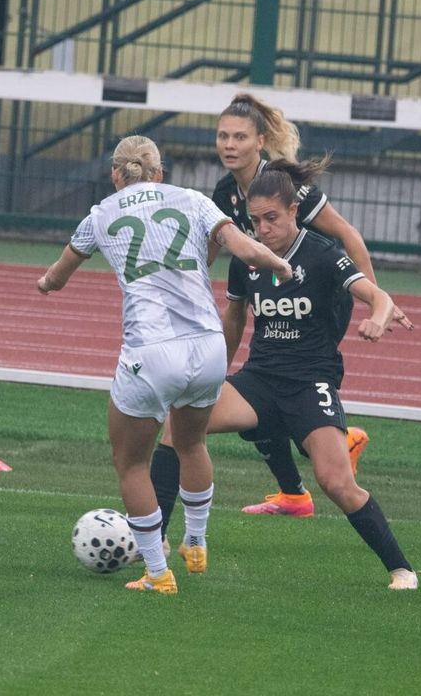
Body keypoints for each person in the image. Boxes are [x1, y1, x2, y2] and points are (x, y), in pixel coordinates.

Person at [36, 135, 291, 594]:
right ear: (159, 172)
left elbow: (59, 273)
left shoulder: (101, 214)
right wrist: (279, 264)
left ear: (115, 175)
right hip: (208, 346)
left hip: (152, 350)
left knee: (131, 463)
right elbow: (245, 247)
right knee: (191, 443)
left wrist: (46, 284)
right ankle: (196, 541)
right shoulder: (193, 200)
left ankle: (157, 572)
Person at [150, 92, 413, 530]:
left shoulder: (284, 186)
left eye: (239, 137)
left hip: (322, 294)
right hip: (275, 292)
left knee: (282, 383)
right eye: (222, 136)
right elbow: (211, 252)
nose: (229, 145)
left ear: (260, 142)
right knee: (259, 394)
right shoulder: (224, 193)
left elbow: (347, 234)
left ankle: (321, 454)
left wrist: (376, 297)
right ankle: (301, 483)